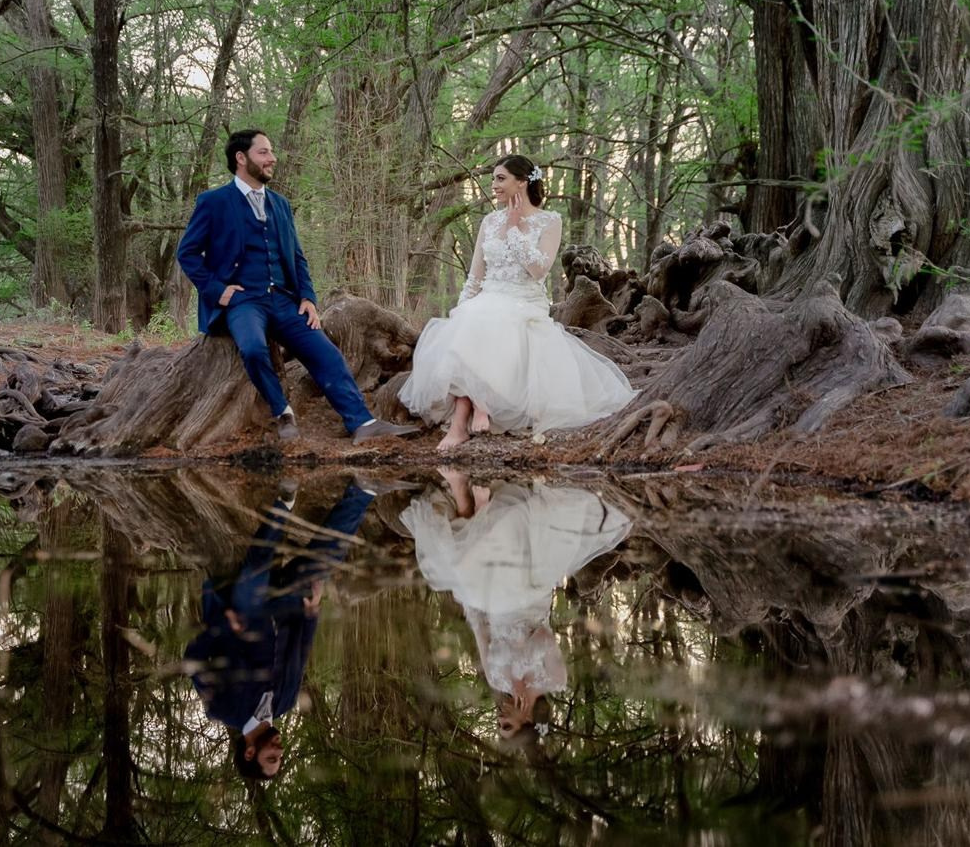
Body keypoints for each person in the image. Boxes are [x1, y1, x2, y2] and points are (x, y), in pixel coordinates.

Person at [177, 129, 418, 445]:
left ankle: (362, 423)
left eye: (271, 152)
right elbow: (188, 253)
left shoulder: (280, 204)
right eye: (263, 152)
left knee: (328, 356)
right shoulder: (214, 202)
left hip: (284, 300)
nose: (272, 158)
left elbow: (297, 257)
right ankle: (282, 412)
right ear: (241, 158)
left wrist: (307, 297)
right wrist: (218, 290)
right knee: (252, 348)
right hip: (243, 301)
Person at [398, 154, 637, 450]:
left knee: (488, 320)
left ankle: (467, 418)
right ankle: (474, 411)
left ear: (522, 182)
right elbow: (475, 276)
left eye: (500, 179)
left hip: (524, 300)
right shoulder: (489, 221)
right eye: (493, 179)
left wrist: (514, 229)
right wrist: (460, 310)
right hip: (488, 298)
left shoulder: (549, 221)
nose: (493, 185)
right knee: (470, 321)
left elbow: (539, 269)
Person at [184, 478, 400, 779]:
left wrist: (222, 625)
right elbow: (299, 656)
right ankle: (363, 491)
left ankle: (284, 503)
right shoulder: (284, 704)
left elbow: (193, 659)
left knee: (254, 574)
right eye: (281, 756)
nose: (280, 750)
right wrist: (311, 614)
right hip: (287, 610)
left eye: (272, 756)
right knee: (325, 562)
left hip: (248, 610)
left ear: (249, 752)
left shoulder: (223, 710)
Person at [400, 470, 631, 741]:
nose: (499, 720)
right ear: (528, 720)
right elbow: (545, 638)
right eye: (507, 725)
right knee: (494, 553)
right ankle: (478, 506)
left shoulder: (496, 681)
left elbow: (479, 631)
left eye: (499, 726)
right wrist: (521, 680)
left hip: (494, 604)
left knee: (458, 568)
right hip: (529, 598)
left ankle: (464, 495)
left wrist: (467, 595)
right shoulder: (554, 681)